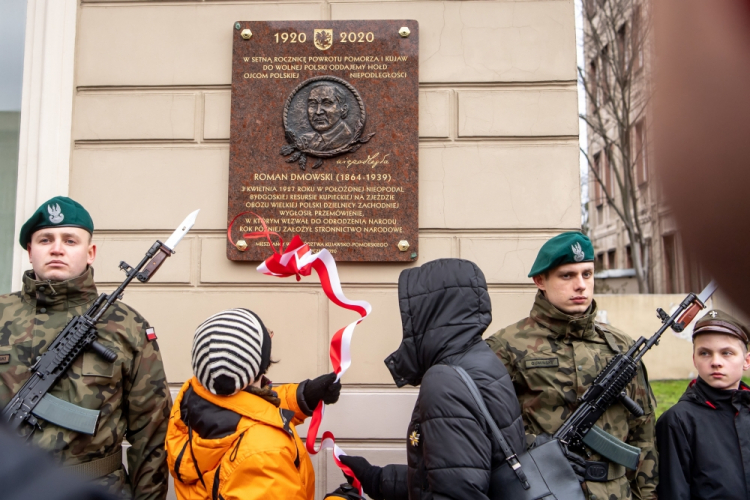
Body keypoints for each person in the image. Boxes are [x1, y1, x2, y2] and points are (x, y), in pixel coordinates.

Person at [0, 196, 171, 499]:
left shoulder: (126, 326)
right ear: (30, 251)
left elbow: (151, 433)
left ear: (90, 252)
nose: (56, 248)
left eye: (70, 240)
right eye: (45, 239)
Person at [334, 258, 526, 500]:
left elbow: (457, 493)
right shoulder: (481, 361)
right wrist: (377, 480)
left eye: (411, 315)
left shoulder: (444, 381)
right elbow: (460, 473)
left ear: (430, 312)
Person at [485, 232, 657, 500]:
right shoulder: (505, 347)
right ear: (540, 280)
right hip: (545, 490)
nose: (581, 285)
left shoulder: (621, 347)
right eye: (567, 275)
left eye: (587, 274)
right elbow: (487, 429)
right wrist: (538, 446)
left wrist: (646, 496)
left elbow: (643, 431)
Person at [165, 308, 342, 499]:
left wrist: (302, 397)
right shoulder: (265, 453)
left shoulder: (197, 398)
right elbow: (254, 425)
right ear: (257, 365)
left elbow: (247, 410)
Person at [656, 310, 750, 499]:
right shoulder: (678, 421)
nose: (716, 362)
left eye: (727, 353)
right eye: (705, 353)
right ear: (694, 360)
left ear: (746, 361)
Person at [302, 83, 353, 151]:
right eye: (312, 104)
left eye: (327, 104)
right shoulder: (306, 139)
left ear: (343, 109)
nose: (318, 112)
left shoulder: (347, 138)